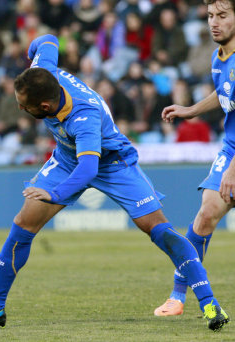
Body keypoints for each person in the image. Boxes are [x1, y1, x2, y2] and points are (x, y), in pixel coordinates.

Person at [0, 34, 230, 332]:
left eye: (24, 105)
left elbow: (88, 168)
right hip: (68, 158)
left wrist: (52, 194)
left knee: (159, 230)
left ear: (44, 105)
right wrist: (28, 59)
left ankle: (209, 303)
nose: (20, 109)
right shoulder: (44, 73)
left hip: (111, 163)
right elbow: (47, 39)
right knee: (23, 225)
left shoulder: (82, 116)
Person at [154, 0, 235, 318]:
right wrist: (190, 110)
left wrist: (233, 168)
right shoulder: (219, 57)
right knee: (204, 216)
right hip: (230, 147)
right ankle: (177, 297)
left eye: (223, 16)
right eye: (211, 16)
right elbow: (225, 91)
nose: (214, 23)